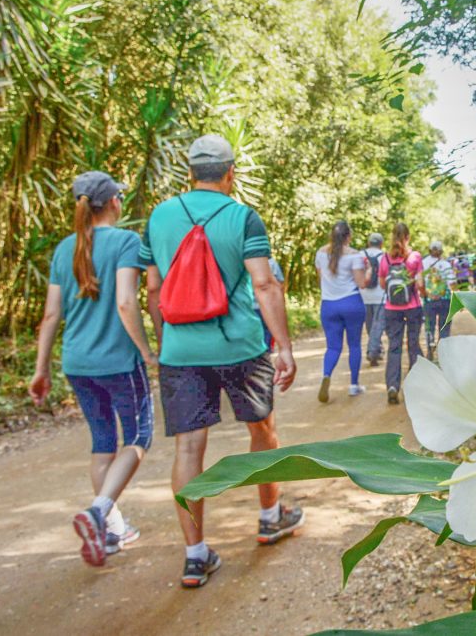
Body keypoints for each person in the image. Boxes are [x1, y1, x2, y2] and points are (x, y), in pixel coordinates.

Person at [140, 134, 302, 589]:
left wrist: (166, 341)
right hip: (241, 347)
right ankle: (270, 517)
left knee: (189, 449)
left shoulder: (159, 216)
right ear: (231, 173)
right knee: (262, 431)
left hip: (181, 352)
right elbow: (264, 284)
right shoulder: (243, 217)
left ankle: (195, 556)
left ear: (189, 172)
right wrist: (284, 345)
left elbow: (152, 288)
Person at [29, 171, 155, 568]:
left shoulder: (64, 249)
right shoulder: (126, 242)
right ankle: (99, 512)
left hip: (77, 363)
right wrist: (147, 352)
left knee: (103, 443)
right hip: (118, 361)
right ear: (115, 201)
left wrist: (41, 369)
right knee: (139, 437)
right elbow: (126, 302)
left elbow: (51, 315)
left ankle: (111, 531)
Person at [315, 221, 369, 401]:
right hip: (351, 303)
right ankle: (354, 385)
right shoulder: (354, 255)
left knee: (332, 347)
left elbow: (321, 278)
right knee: (354, 345)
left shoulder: (321, 253)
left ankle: (326, 375)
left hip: (329, 305)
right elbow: (361, 283)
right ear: (348, 236)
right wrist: (369, 271)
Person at [379, 222, 425, 404]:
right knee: (413, 345)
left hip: (391, 309)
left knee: (394, 347)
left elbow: (382, 284)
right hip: (412, 306)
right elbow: (420, 284)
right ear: (408, 237)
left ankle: (392, 386)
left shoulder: (385, 258)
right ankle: (416, 387)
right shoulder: (415, 257)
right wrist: (422, 292)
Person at [422, 240, 456, 359]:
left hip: (429, 300)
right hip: (444, 299)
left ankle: (430, 346)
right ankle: (443, 353)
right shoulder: (446, 264)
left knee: (429, 326)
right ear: (441, 251)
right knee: (444, 327)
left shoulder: (423, 263)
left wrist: (424, 294)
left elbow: (420, 282)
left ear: (429, 250)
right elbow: (452, 283)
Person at [360, 233, 386, 366]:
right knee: (379, 324)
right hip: (380, 295)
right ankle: (373, 350)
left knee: (369, 325)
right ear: (381, 243)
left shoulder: (360, 255)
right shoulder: (384, 256)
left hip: (363, 295)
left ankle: (375, 349)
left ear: (369, 242)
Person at [254, 257, 285, 350]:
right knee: (269, 329)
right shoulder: (272, 263)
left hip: (250, 305)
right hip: (268, 305)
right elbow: (280, 283)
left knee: (259, 330)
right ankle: (266, 351)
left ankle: (262, 351)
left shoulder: (245, 262)